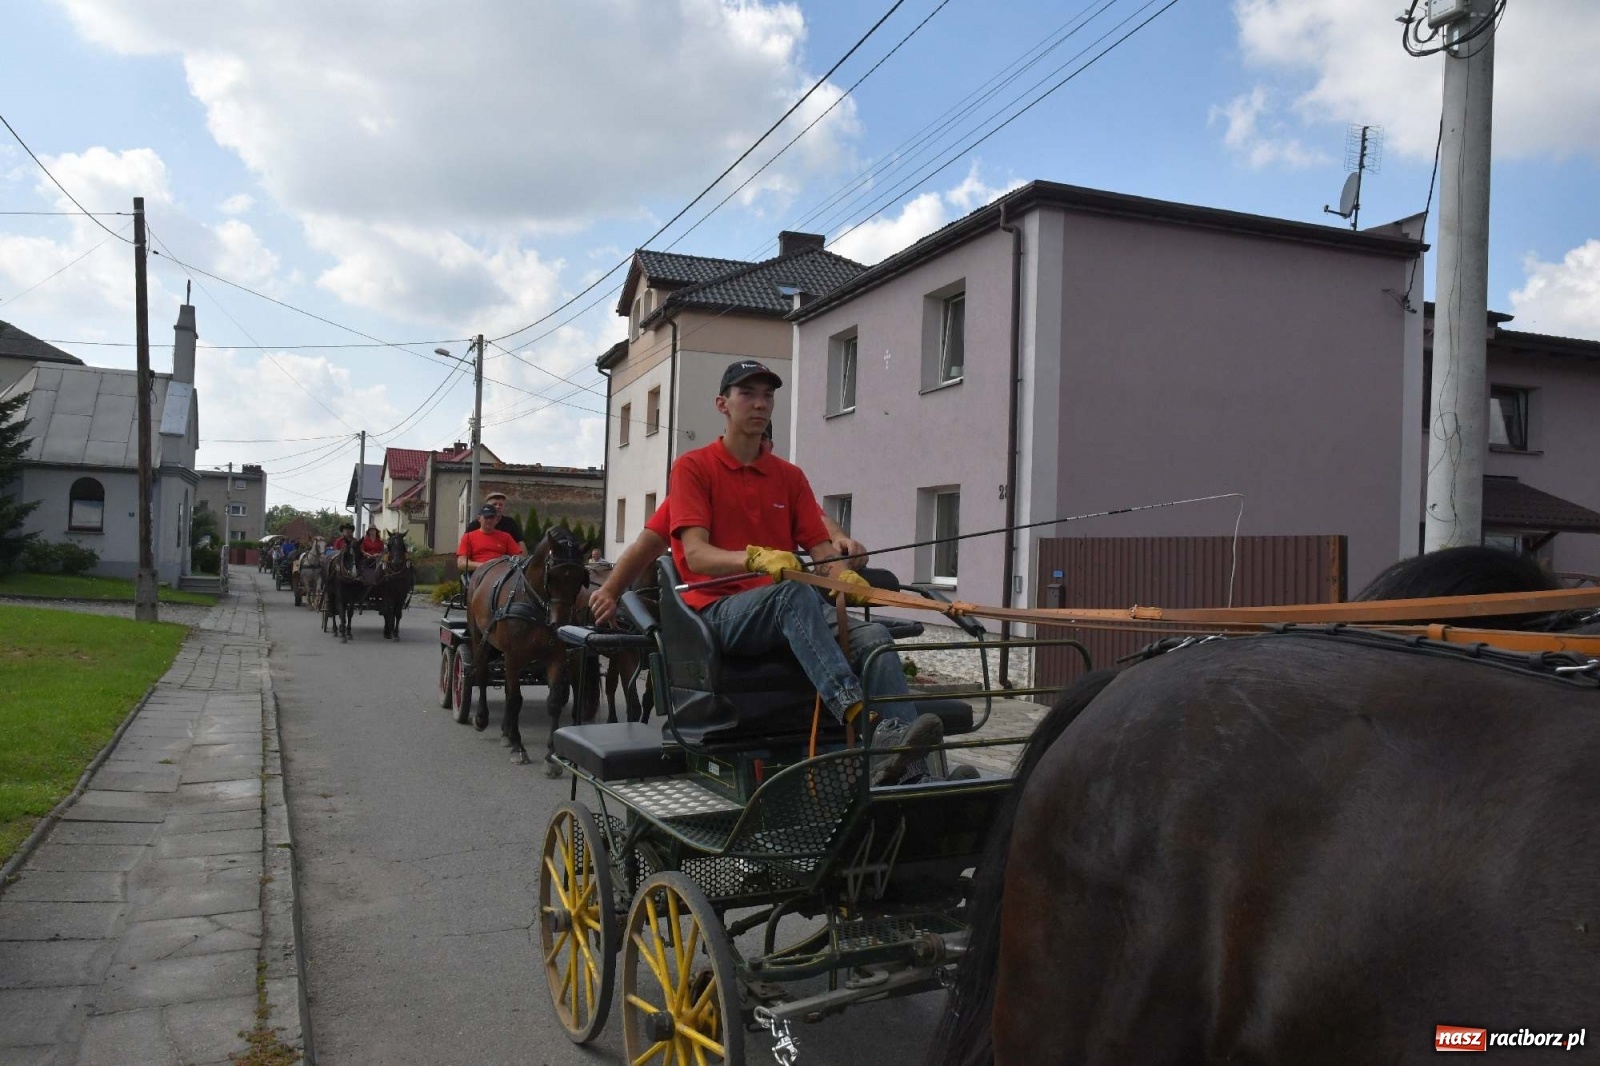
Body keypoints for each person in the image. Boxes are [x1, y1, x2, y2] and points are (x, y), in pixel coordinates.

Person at [669, 359, 946, 785]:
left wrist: (845, 577)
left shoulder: (790, 477)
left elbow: (821, 550)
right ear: (722, 404)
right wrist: (755, 558)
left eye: (768, 395)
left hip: (788, 610)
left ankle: (913, 772)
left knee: (874, 637)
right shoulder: (693, 467)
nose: (760, 404)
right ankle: (864, 719)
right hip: (718, 611)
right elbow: (697, 555)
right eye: (748, 394)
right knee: (793, 594)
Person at [456, 505, 521, 580]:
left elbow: (518, 558)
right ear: (479, 518)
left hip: (502, 573)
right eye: (486, 517)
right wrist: (484, 565)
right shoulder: (468, 537)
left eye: (492, 517)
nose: (489, 520)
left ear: (496, 520)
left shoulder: (506, 537)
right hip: (479, 574)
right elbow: (461, 563)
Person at [463, 492, 527, 554]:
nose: (498, 507)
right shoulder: (475, 525)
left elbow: (520, 543)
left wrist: (523, 561)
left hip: (505, 561)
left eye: (500, 504)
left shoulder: (510, 523)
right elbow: (464, 545)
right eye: (494, 504)